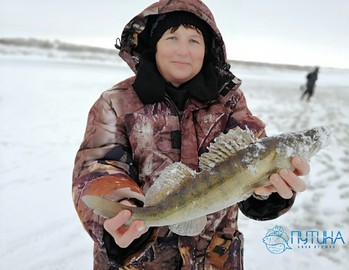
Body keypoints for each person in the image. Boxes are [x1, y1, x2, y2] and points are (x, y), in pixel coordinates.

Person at [72, 1, 310, 269]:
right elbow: (98, 166)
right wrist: (123, 208)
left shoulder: (230, 102)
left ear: (208, 49)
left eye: (195, 40)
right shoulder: (115, 102)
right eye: (172, 37)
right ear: (153, 45)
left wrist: (268, 193)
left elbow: (251, 160)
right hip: (139, 261)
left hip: (214, 259)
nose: (183, 50)